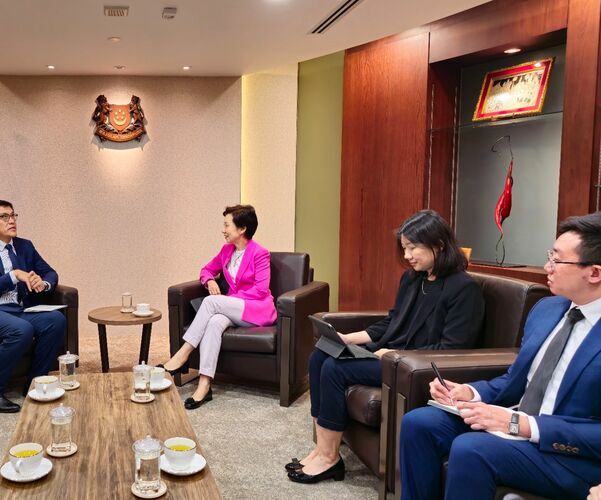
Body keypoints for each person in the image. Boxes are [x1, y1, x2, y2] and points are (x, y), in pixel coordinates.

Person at [399, 212, 601, 499]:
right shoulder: (548, 310)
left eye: (557, 260)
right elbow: (515, 381)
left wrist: (523, 425)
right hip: (518, 422)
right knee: (419, 424)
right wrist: (470, 393)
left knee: (472, 449)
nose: (547, 266)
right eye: (550, 256)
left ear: (594, 273)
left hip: (571, 455)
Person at [287, 209, 484, 485]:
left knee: (335, 368)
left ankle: (330, 458)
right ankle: (322, 448)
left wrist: (395, 355)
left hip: (413, 367)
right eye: (404, 248)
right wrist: (349, 338)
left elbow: (452, 348)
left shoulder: (463, 289)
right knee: (320, 356)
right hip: (389, 355)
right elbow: (393, 321)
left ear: (439, 244)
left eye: (413, 247)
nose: (407, 255)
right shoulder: (413, 278)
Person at [159, 204, 275, 410]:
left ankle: (183, 354)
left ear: (242, 229)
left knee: (212, 302)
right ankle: (204, 385)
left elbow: (261, 290)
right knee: (213, 322)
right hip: (234, 307)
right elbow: (206, 270)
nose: (223, 230)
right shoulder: (227, 250)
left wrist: (227, 300)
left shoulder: (260, 253)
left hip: (256, 310)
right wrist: (210, 280)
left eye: (227, 225)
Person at [0, 200, 66, 413]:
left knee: (56, 320)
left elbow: (50, 272)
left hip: (18, 309)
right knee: (21, 329)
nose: (11, 221)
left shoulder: (25, 246)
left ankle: (35, 384)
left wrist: (43, 283)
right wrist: (13, 275)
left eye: (13, 215)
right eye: (4, 217)